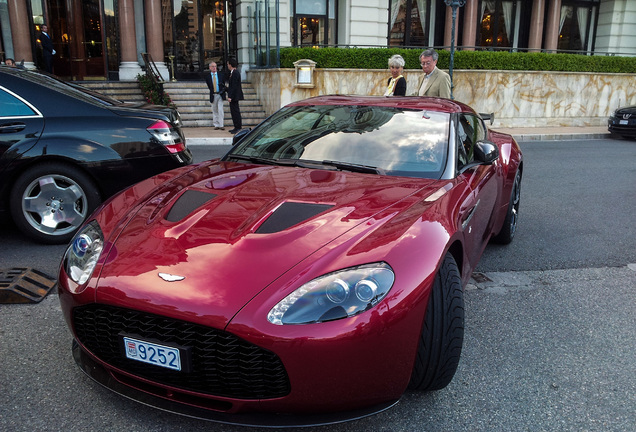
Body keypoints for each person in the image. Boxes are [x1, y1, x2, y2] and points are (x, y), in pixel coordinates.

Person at [203, 61, 226, 130]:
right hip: (213, 94)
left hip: (220, 94)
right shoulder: (208, 77)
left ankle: (221, 124)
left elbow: (223, 84)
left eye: (215, 66)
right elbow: (209, 86)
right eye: (213, 66)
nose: (214, 68)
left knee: (220, 109)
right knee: (215, 110)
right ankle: (216, 124)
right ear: (210, 68)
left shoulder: (221, 75)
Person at [225, 57, 244, 134]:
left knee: (235, 112)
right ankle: (236, 126)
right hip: (234, 95)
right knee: (233, 112)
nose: (227, 66)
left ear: (230, 64)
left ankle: (238, 127)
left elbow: (234, 86)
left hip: (235, 96)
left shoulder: (235, 73)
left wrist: (230, 96)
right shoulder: (233, 73)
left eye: (228, 64)